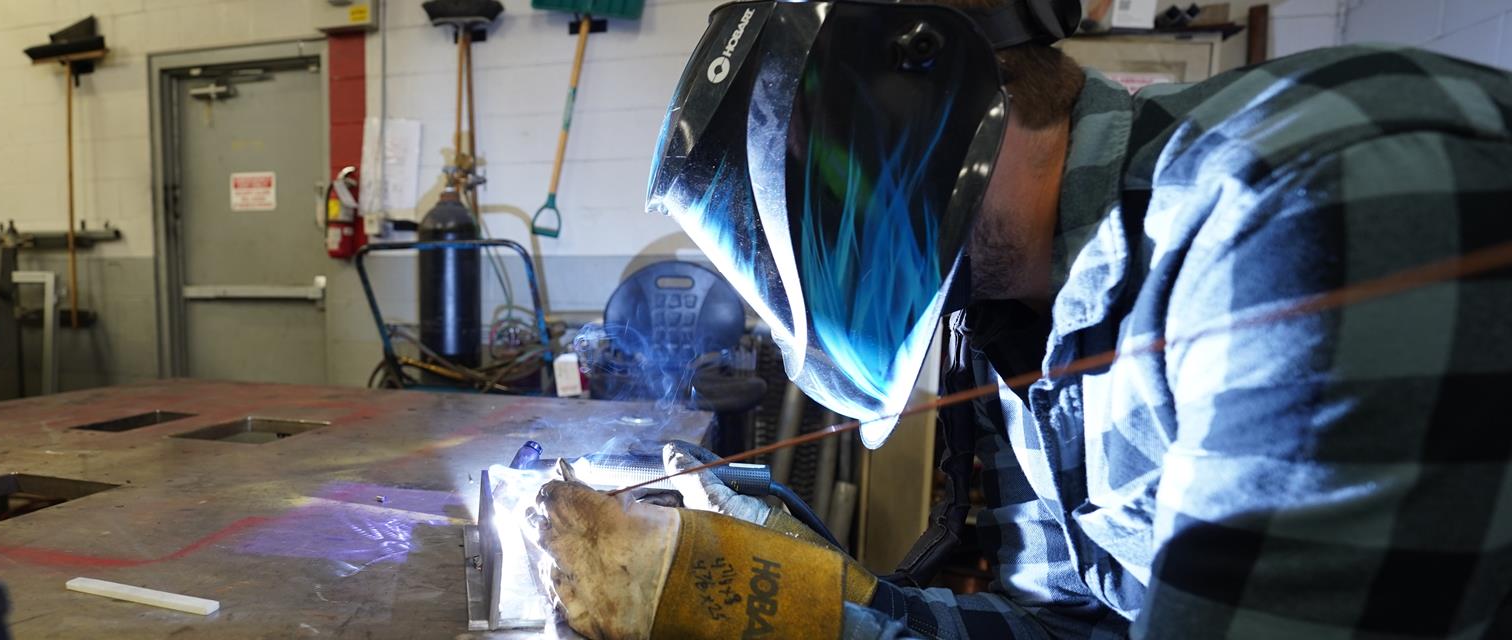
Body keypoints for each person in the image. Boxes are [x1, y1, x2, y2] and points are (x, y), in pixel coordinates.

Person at [534, 0, 1512, 637]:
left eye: (830, 183)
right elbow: (1079, 624)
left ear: (914, 101)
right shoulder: (1017, 317)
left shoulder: (1299, 208)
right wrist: (815, 603)